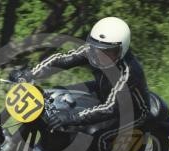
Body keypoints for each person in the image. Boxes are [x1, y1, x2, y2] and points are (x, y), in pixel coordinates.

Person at [9, 17, 150, 131]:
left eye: (109, 51)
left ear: (122, 49)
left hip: (130, 111)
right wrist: (29, 75)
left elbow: (110, 108)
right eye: (98, 49)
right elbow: (62, 60)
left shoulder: (128, 72)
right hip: (103, 90)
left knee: (93, 133)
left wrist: (70, 117)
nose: (101, 55)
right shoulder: (93, 51)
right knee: (57, 95)